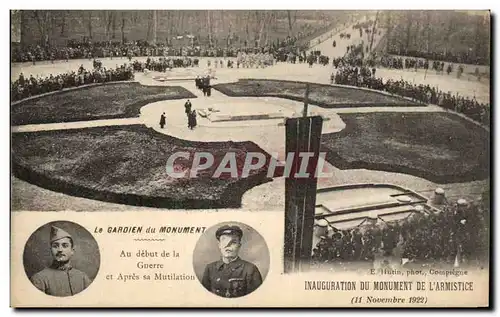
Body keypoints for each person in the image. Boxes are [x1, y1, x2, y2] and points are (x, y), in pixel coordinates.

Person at [201, 225, 263, 298]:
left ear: (239, 246)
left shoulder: (250, 269)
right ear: (219, 245)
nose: (228, 246)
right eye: (224, 241)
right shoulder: (210, 268)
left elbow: (255, 299)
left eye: (233, 242)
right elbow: (204, 297)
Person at [30, 226, 91, 297]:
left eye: (65, 246)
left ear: (72, 251)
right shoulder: (39, 279)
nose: (60, 250)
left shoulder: (83, 278)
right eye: (55, 246)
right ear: (51, 250)